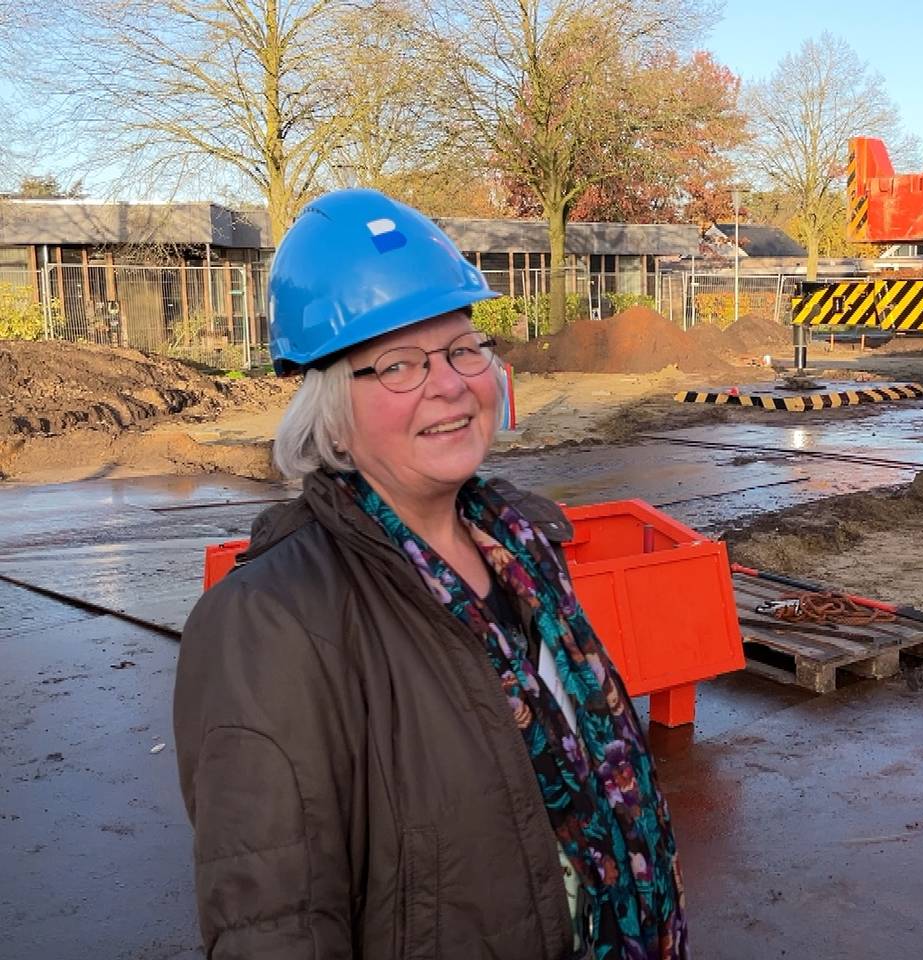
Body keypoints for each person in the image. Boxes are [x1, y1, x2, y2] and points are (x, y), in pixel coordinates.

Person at [174, 188, 688, 960]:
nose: (449, 384)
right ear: (327, 403)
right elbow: (274, 929)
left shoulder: (525, 549)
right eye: (399, 364)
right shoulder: (270, 623)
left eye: (461, 349)